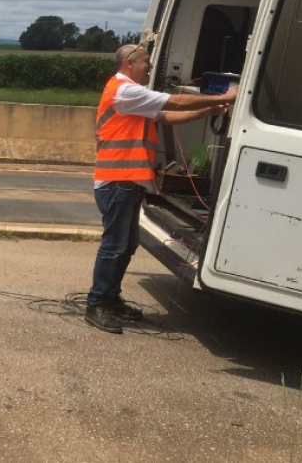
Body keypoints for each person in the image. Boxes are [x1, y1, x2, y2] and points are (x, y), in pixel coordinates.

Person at [86, 44, 237, 334]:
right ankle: (97, 304)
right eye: (147, 63)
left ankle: (111, 299)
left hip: (128, 182)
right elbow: (174, 103)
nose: (151, 68)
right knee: (114, 246)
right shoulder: (124, 91)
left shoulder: (132, 96)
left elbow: (167, 116)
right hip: (117, 181)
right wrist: (224, 96)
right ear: (130, 63)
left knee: (126, 246)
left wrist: (210, 109)